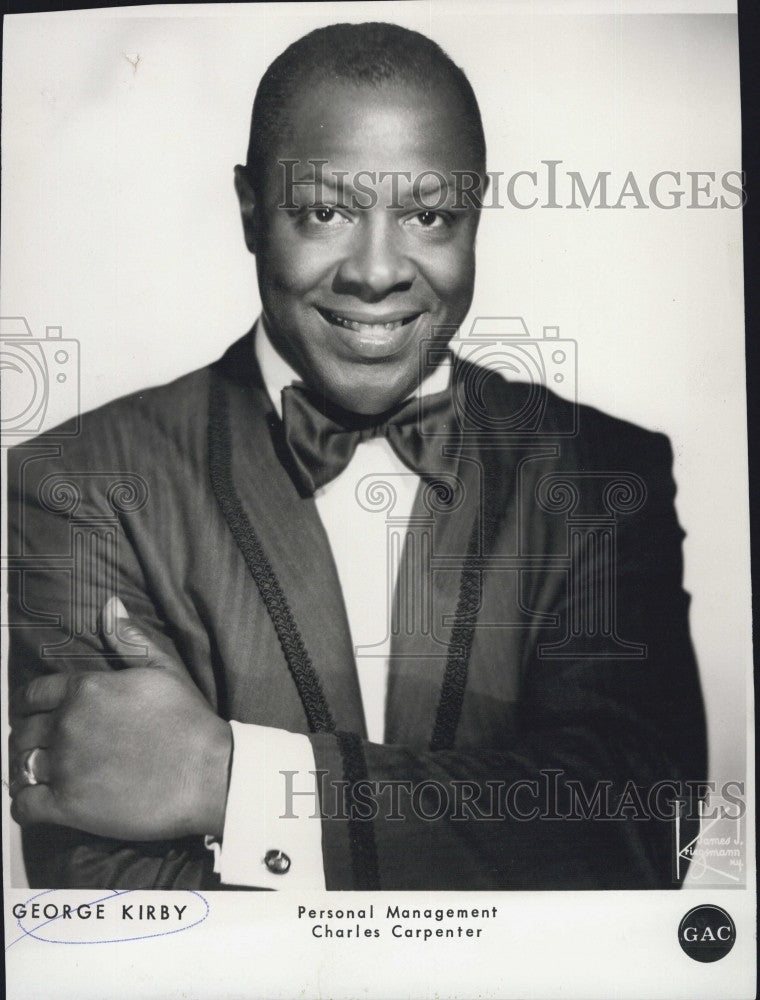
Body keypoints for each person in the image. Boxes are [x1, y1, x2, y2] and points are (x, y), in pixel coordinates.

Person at [7, 21, 706, 890]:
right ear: (251, 212)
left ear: (476, 214)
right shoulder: (81, 483)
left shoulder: (602, 474)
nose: (377, 272)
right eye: (325, 211)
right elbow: (104, 891)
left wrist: (232, 782)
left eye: (428, 215)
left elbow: (643, 827)